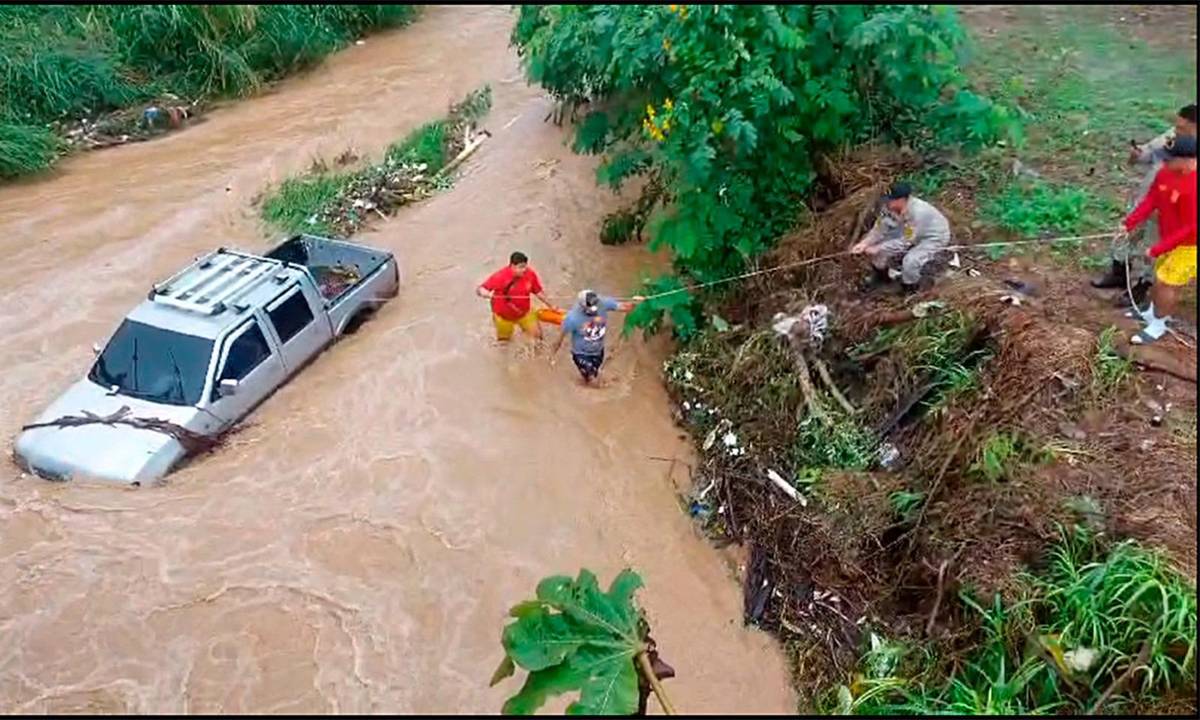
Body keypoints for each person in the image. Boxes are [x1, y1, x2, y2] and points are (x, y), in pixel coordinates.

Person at [1093, 103, 1197, 303]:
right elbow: (1150, 154)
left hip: (1171, 211)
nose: (1176, 131)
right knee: (1126, 235)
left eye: (1182, 128)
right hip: (1149, 197)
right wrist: (1138, 155)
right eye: (1177, 126)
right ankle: (1119, 274)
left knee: (1154, 247)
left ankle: (1142, 288)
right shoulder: (1173, 138)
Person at [1122, 134, 1196, 345]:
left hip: (1190, 245)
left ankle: (1159, 324)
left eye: (1170, 158)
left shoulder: (1193, 187)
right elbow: (1152, 199)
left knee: (1167, 283)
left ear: (1189, 160)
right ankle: (1152, 313)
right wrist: (1129, 223)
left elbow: (1190, 227)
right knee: (1159, 275)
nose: (1164, 161)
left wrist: (1157, 248)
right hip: (1169, 237)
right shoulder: (1165, 173)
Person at [850, 182, 951, 294]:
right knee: (878, 253)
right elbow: (880, 228)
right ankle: (881, 278)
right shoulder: (888, 207)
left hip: (932, 236)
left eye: (892, 200)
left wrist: (879, 247)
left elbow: (906, 241)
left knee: (911, 261)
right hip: (906, 230)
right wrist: (864, 243)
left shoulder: (918, 213)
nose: (888, 202)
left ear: (902, 200)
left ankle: (909, 288)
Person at [551, 289, 643, 383]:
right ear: (583, 306)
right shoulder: (572, 318)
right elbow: (559, 339)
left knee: (592, 376)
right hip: (581, 354)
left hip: (598, 351)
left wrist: (635, 302)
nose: (595, 308)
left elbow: (625, 308)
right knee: (594, 381)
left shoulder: (603, 303)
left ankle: (586, 382)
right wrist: (552, 356)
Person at [477, 251, 554, 342]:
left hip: (524, 313)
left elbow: (538, 291)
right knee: (504, 342)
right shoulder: (500, 276)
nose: (524, 269)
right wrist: (486, 294)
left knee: (538, 337)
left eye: (525, 266)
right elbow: (480, 289)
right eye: (520, 267)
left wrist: (551, 305)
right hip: (504, 317)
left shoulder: (530, 275)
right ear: (512, 266)